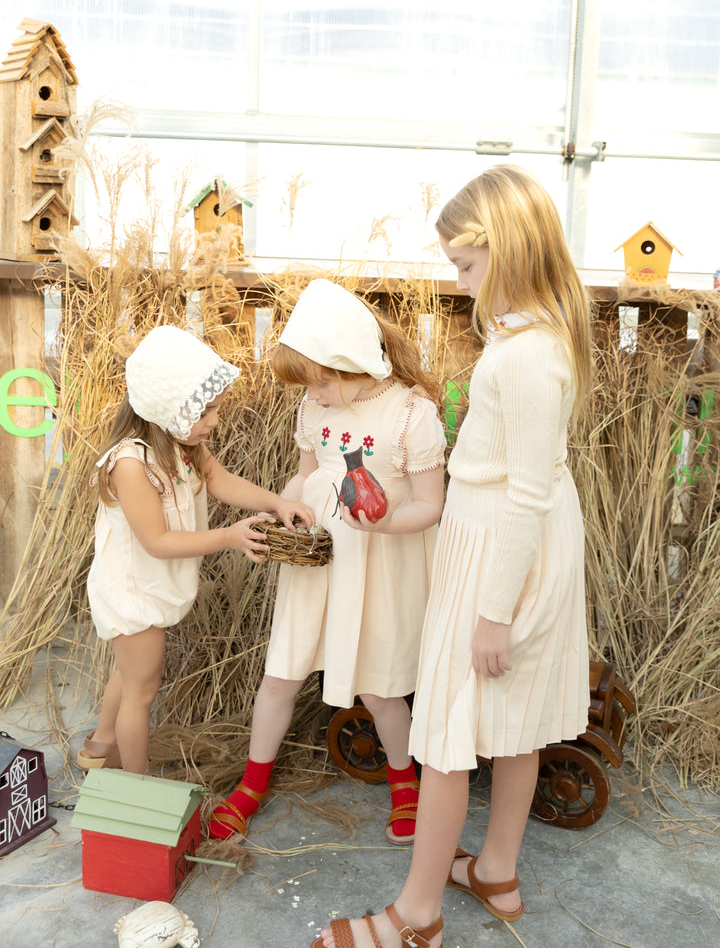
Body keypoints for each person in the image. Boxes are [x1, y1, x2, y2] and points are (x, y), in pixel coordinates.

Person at [311, 164, 592, 948]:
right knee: (511, 725)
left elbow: (530, 493)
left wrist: (494, 613)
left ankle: (416, 916)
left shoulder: (530, 355)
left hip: (503, 551)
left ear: (508, 249)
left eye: (466, 266)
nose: (459, 281)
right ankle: (495, 868)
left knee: (445, 735)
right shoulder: (524, 338)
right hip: (503, 537)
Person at [208, 278, 446, 846]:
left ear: (350, 365)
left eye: (319, 383)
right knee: (281, 672)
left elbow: (432, 506)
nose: (311, 396)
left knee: (381, 687)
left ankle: (403, 780)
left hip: (379, 568)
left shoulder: (411, 415)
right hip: (316, 562)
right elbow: (305, 472)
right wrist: (289, 506)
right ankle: (252, 782)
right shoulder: (313, 408)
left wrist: (384, 521)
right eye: (307, 387)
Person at [78, 324, 314, 776]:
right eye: (205, 411)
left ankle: (99, 747)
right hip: (132, 592)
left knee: (130, 675)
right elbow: (158, 541)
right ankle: (136, 783)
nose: (215, 422)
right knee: (141, 692)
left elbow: (221, 481)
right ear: (167, 409)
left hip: (151, 585)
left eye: (215, 410)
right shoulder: (132, 465)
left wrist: (277, 501)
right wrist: (229, 537)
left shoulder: (184, 447)